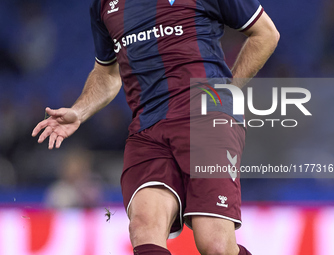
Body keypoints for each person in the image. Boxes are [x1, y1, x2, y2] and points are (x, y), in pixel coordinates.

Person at [32, 0, 279, 254]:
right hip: (147, 130)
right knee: (144, 227)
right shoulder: (104, 5)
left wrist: (226, 95)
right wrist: (79, 111)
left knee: (214, 245)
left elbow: (266, 33)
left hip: (205, 120)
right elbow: (106, 73)